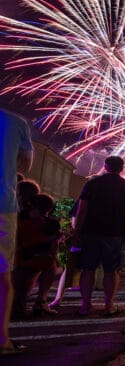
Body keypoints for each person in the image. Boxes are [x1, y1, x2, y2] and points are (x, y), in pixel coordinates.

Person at [73, 156, 125, 316]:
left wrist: (77, 232)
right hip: (115, 233)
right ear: (122, 168)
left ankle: (85, 306)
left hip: (90, 232)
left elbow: (82, 210)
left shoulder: (92, 184)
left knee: (88, 269)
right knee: (111, 271)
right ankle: (109, 306)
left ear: (105, 166)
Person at [0, 109, 33, 354]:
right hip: (2, 205)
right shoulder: (16, 122)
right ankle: (2, 341)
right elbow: (25, 165)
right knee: (2, 276)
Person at [11, 193, 60, 317]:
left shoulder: (19, 218)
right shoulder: (50, 224)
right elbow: (52, 249)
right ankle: (41, 301)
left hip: (16, 259)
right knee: (53, 266)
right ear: (48, 209)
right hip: (35, 260)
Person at [49, 200, 83, 308]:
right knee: (81, 269)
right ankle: (86, 303)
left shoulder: (86, 195)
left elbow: (74, 222)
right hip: (86, 237)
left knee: (71, 268)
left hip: (81, 237)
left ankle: (58, 299)